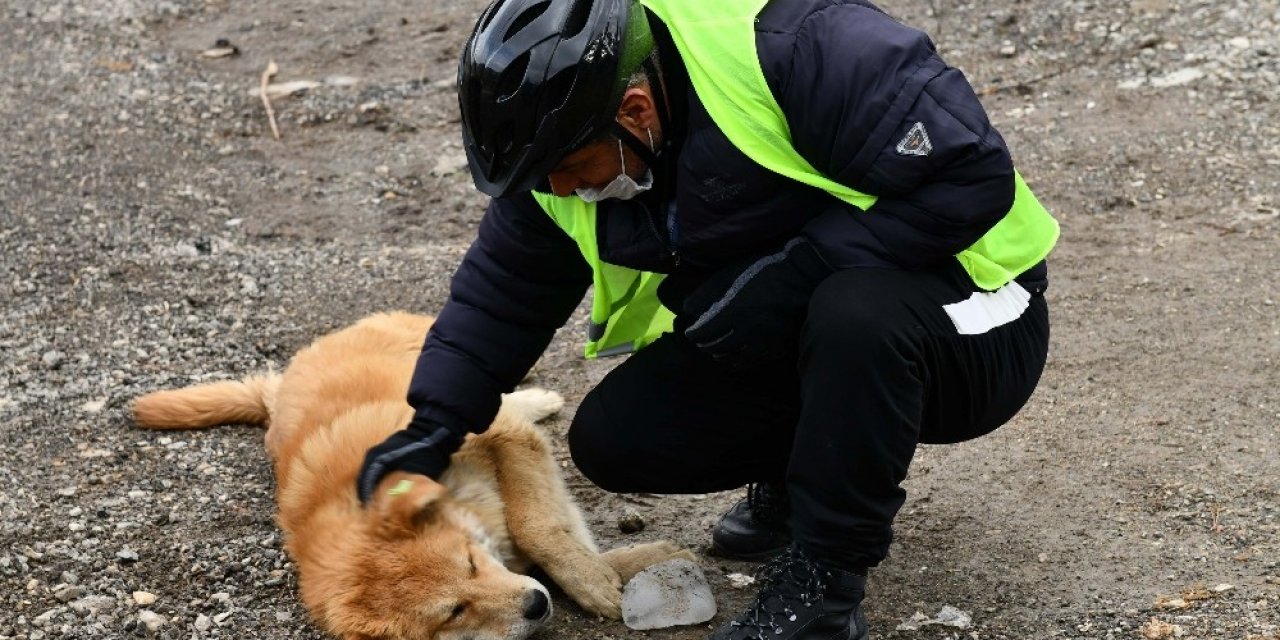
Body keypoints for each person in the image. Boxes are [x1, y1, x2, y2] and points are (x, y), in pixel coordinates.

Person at [357, 0, 1058, 637]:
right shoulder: (554, 156)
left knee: (854, 311)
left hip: (977, 315)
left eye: (571, 168)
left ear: (635, 109)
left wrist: (803, 269)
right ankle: (800, 477)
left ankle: (826, 582)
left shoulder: (805, 47)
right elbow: (506, 287)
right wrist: (434, 422)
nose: (562, 190)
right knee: (616, 438)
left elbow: (973, 179)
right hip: (820, 318)